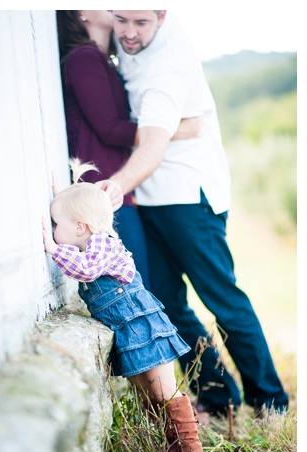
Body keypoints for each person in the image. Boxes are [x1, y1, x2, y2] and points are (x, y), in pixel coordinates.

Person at [95, 10, 288, 418]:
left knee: (223, 300)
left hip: (188, 198)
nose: (128, 33)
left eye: (141, 23)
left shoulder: (167, 71)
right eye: (120, 19)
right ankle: (219, 398)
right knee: (167, 302)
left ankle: (271, 402)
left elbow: (151, 148)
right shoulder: (129, 32)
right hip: (151, 200)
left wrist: (117, 184)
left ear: (162, 16)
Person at [42, 159, 205, 452]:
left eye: (55, 224)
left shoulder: (103, 244)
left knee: (163, 390)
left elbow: (85, 269)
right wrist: (61, 195)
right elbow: (77, 239)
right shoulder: (88, 241)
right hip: (127, 331)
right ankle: (169, 448)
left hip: (144, 325)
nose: (53, 230)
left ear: (79, 227)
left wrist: (52, 248)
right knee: (146, 392)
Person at [56, 9, 201, 291]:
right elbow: (110, 128)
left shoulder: (105, 60)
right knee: (135, 290)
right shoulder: (84, 59)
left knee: (143, 286)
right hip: (102, 192)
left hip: (113, 190)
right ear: (81, 12)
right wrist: (175, 130)